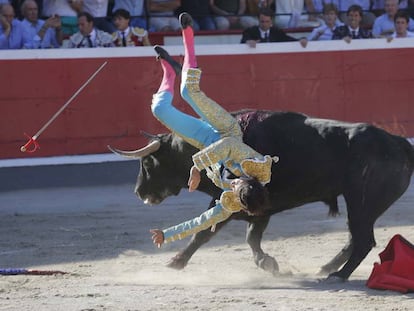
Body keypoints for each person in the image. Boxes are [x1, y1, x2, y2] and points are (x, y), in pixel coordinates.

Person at [150, 12, 277, 247]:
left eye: (237, 187)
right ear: (254, 183)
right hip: (226, 129)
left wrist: (167, 235)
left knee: (159, 110)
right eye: (241, 183)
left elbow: (203, 221)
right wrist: (197, 167)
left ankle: (168, 72)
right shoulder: (258, 167)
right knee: (189, 91)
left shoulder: (232, 202)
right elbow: (228, 145)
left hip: (205, 140)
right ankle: (188, 34)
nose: (236, 183)